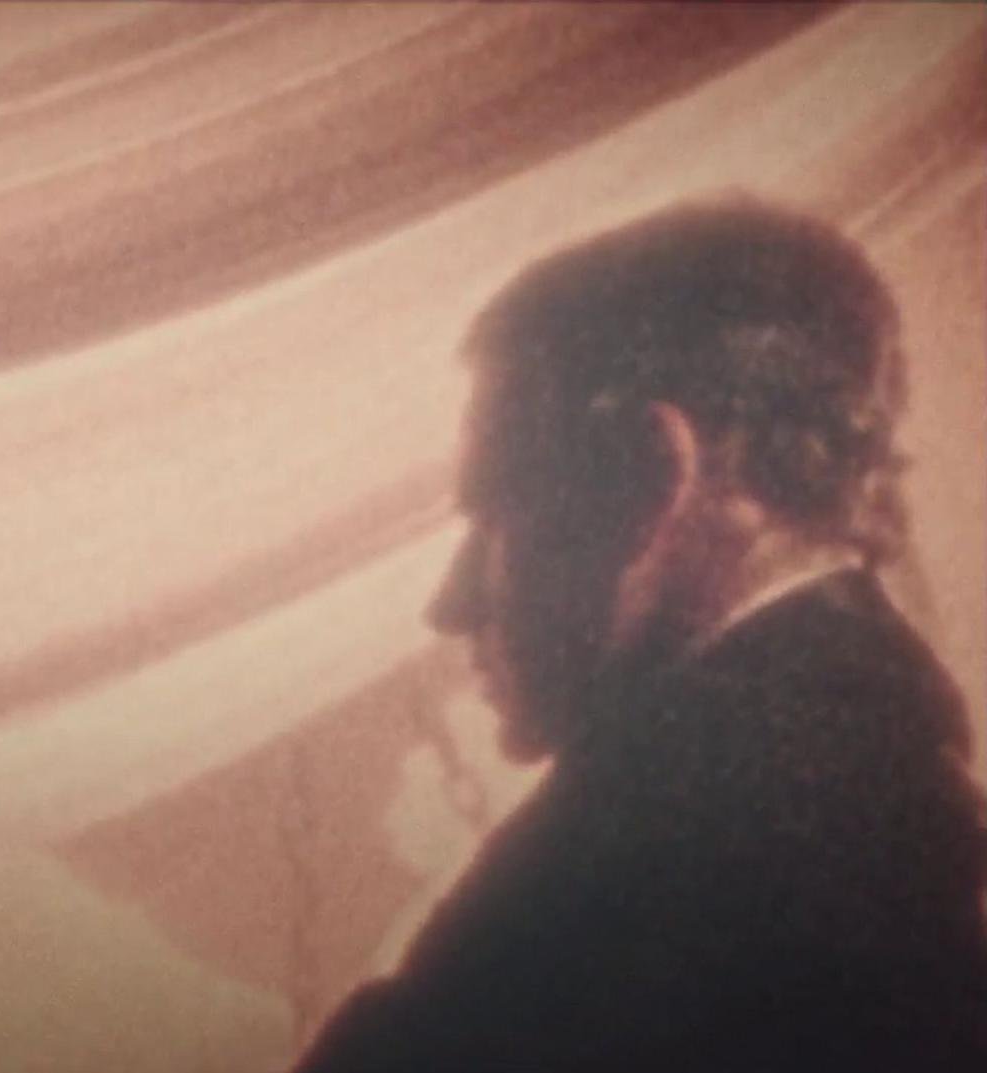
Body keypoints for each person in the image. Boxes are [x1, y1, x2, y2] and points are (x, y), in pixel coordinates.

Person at [296, 201, 987, 1071]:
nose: (450, 604)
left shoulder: (680, 851)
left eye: (497, 515)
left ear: (645, 469)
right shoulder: (852, 799)